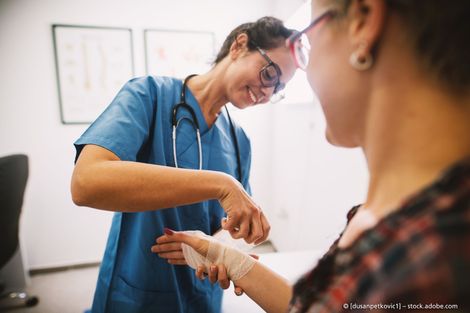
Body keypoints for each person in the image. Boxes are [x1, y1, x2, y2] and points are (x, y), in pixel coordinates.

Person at [152, 0, 470, 312]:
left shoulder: (426, 261)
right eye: (271, 74)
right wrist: (232, 260)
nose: (309, 68)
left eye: (310, 41)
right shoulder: (405, 225)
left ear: (363, 20)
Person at [71, 17, 297, 313]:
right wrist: (221, 184)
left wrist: (225, 248)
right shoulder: (148, 95)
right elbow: (86, 183)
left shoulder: (239, 140)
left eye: (278, 89)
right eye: (270, 74)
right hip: (138, 290)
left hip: (203, 293)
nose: (267, 94)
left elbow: (231, 228)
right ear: (240, 46)